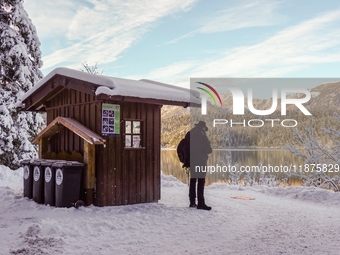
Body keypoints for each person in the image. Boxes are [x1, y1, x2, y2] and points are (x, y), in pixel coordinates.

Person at [185, 121, 212, 210]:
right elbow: (209, 150)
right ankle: (201, 203)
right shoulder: (203, 136)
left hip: (191, 161)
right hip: (200, 162)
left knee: (192, 181)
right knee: (201, 182)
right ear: (203, 128)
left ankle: (192, 202)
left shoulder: (190, 134)